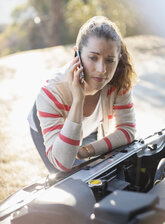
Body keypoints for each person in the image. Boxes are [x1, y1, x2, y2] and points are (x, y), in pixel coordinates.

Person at [28, 16, 136, 173]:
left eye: (110, 60)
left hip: (88, 129)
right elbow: (62, 162)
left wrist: (87, 151)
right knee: (67, 179)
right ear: (77, 55)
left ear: (118, 59)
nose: (102, 69)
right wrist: (78, 99)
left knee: (92, 175)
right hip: (49, 127)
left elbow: (128, 130)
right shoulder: (50, 93)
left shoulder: (118, 81)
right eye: (93, 57)